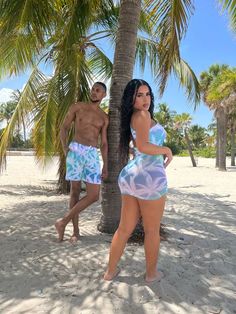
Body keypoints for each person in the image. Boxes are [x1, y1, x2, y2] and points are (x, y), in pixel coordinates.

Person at [104, 79, 172, 282]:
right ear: (131, 99)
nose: (145, 99)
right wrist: (166, 150)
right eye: (139, 95)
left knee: (124, 228)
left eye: (147, 94)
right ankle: (151, 274)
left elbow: (138, 147)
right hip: (149, 178)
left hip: (132, 176)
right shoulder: (142, 115)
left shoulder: (134, 117)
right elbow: (143, 146)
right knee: (152, 230)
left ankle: (110, 272)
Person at [55, 82, 109, 243]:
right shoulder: (77, 107)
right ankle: (75, 232)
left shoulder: (104, 117)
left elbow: (104, 143)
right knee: (75, 192)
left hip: (92, 154)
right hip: (75, 151)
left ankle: (62, 221)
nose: (94, 92)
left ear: (104, 95)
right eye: (93, 89)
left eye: (98, 90)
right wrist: (65, 148)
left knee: (93, 195)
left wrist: (105, 164)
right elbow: (63, 127)